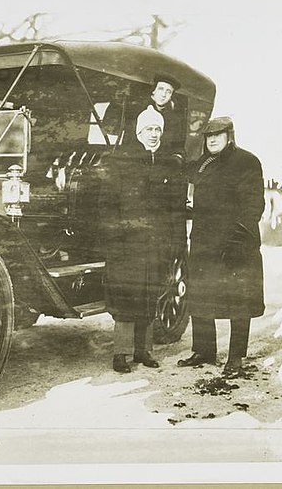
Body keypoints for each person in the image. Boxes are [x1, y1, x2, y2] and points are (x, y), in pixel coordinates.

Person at [100, 105, 187, 373]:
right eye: (149, 129)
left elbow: (175, 207)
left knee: (150, 294)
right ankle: (121, 353)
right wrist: (114, 237)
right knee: (126, 295)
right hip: (126, 244)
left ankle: (143, 350)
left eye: (157, 129)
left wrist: (175, 241)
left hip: (155, 243)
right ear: (139, 131)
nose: (153, 134)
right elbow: (107, 203)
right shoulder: (121, 160)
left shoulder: (168, 163)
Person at [177, 117, 265, 377]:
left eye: (218, 135)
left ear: (230, 136)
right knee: (201, 297)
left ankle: (236, 357)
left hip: (236, 244)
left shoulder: (246, 161)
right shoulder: (204, 163)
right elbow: (184, 173)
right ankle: (204, 351)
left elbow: (253, 207)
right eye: (208, 136)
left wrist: (235, 240)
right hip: (204, 242)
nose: (212, 139)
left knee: (238, 301)